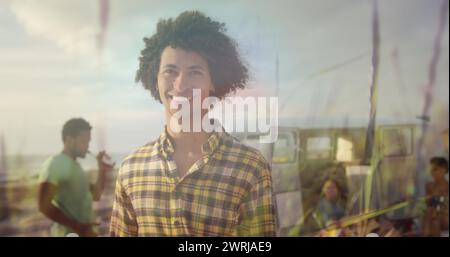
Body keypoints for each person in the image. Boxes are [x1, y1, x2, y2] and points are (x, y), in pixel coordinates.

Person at [109, 11, 276, 236]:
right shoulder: (131, 168)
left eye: (194, 72)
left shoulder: (250, 168)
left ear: (214, 82)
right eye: (170, 71)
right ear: (154, 78)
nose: (180, 85)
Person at [38, 118, 114, 236]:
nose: (87, 147)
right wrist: (79, 227)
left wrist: (102, 170)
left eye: (88, 142)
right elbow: (44, 205)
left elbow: (96, 195)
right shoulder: (55, 164)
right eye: (84, 141)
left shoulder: (76, 167)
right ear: (69, 139)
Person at [423, 157, 449, 236]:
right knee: (431, 217)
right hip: (433, 216)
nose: (432, 173)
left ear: (443, 170)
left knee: (434, 219)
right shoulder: (429, 186)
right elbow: (428, 205)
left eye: (435, 170)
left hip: (446, 217)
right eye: (431, 170)